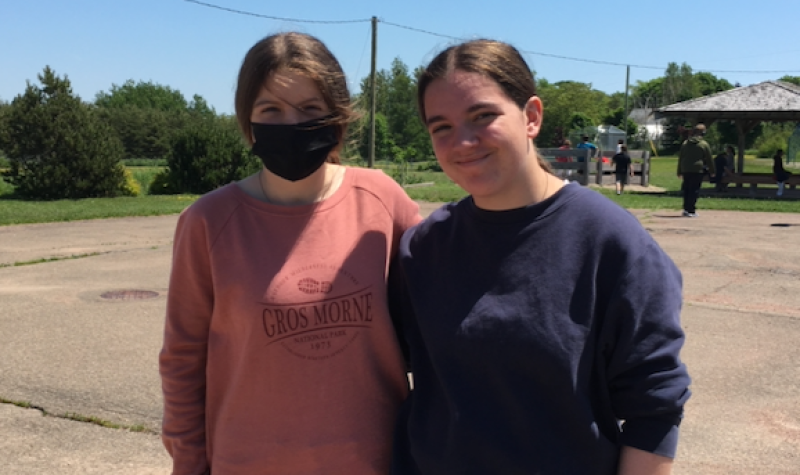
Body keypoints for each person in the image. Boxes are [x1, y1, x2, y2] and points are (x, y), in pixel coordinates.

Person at [390, 39, 691, 475]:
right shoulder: (423, 249)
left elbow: (655, 409)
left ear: (531, 116)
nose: (464, 141)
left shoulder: (611, 242)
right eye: (442, 127)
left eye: (482, 116)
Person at [159, 32, 421, 475]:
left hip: (376, 461)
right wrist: (189, 463)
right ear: (248, 121)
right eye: (271, 110)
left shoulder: (381, 200)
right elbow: (183, 361)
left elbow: (434, 328)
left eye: (310, 109)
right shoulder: (208, 222)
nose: (290, 123)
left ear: (336, 117)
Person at [677, 123, 714, 217]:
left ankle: (686, 209)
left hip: (686, 169)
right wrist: (712, 171)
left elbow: (681, 157)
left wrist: (679, 171)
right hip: (697, 169)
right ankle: (691, 210)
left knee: (687, 189)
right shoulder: (704, 144)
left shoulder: (685, 143)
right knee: (694, 190)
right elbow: (709, 159)